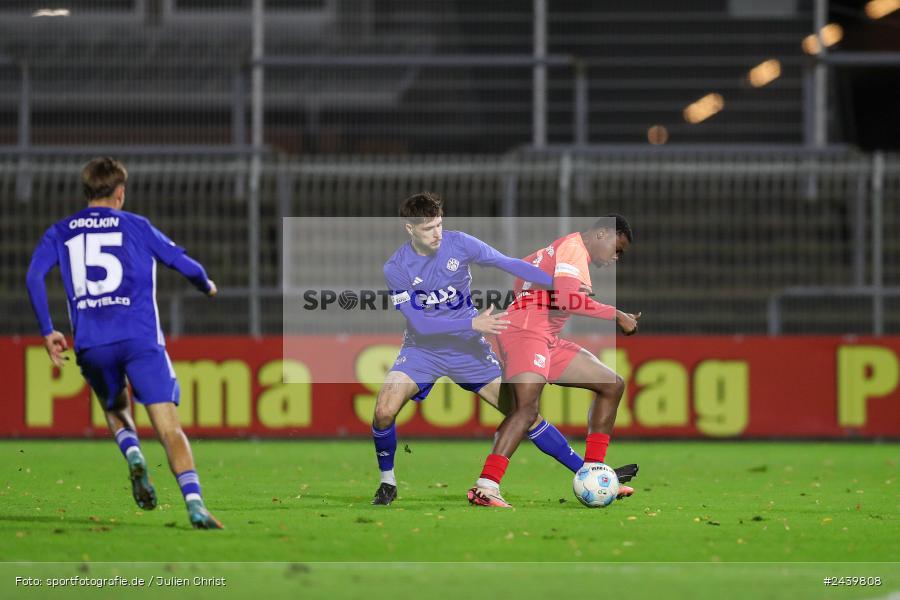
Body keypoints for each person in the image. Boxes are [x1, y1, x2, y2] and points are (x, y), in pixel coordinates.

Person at [25, 157, 223, 529]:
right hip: (139, 338)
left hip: (92, 343)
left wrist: (47, 329)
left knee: (115, 407)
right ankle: (195, 504)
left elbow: (34, 276)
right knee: (169, 428)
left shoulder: (61, 231)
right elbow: (183, 264)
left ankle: (133, 453)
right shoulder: (136, 225)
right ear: (119, 193)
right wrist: (206, 285)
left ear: (87, 192)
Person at [372, 192, 587, 505]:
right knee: (383, 411)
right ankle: (387, 482)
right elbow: (420, 324)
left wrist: (558, 284)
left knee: (523, 413)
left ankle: (586, 472)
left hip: (468, 350)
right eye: (429, 228)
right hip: (423, 351)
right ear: (409, 228)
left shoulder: (460, 244)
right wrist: (473, 324)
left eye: (439, 225)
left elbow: (508, 263)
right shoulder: (396, 268)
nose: (437, 233)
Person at [467, 215, 641, 508]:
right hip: (526, 332)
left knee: (611, 384)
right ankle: (486, 485)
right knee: (525, 410)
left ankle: (594, 472)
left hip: (544, 336)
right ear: (602, 233)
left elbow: (525, 275)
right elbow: (566, 299)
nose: (615, 257)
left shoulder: (563, 250)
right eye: (616, 248)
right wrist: (616, 313)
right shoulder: (574, 249)